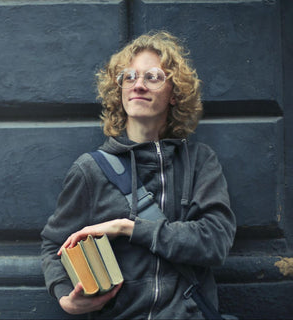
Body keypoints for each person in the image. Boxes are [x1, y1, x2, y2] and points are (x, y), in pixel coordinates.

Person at [40, 30, 236, 319]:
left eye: (153, 77)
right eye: (129, 77)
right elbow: (54, 245)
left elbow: (214, 242)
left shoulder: (199, 162)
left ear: (174, 93)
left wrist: (127, 228)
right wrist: (64, 297)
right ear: (119, 91)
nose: (138, 85)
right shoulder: (91, 169)